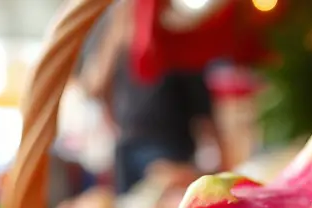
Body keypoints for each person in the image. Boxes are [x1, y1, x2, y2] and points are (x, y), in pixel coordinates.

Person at [78, 0, 226, 194]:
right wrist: (115, 38)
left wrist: (221, 162)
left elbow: (204, 110)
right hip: (126, 146)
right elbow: (92, 88)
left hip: (170, 152)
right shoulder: (112, 32)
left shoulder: (179, 32)